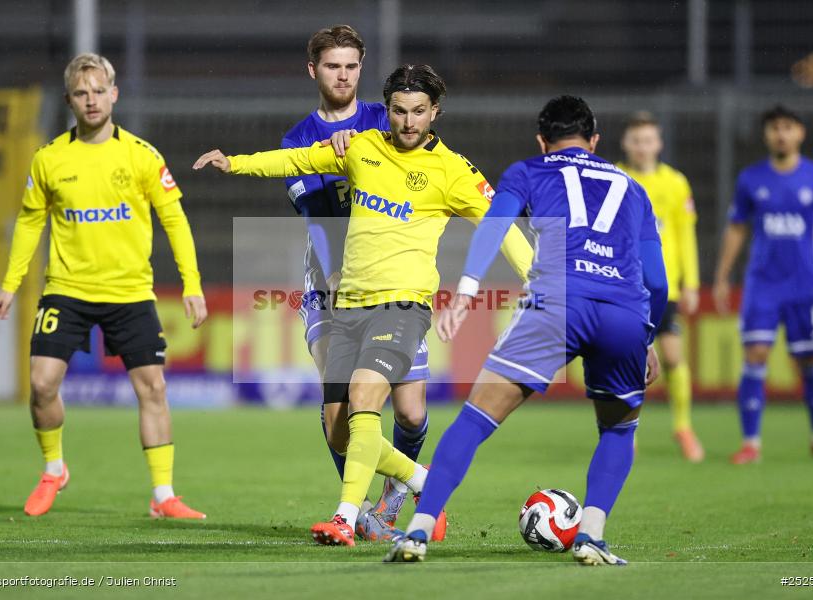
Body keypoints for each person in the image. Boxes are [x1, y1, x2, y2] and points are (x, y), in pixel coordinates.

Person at [194, 64, 533, 546]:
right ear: (387, 110)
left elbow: (501, 228)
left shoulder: (454, 170)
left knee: (366, 396)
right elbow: (296, 163)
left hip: (402, 306)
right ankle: (422, 481)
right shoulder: (363, 148)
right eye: (399, 111)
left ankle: (345, 518)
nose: (409, 122)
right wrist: (236, 162)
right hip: (346, 306)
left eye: (419, 112)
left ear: (435, 112)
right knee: (338, 430)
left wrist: (542, 284)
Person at [386, 95, 667, 565]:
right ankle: (592, 537)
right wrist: (648, 334)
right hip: (624, 311)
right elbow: (656, 279)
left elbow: (494, 226)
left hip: (557, 303)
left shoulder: (529, 171)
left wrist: (467, 291)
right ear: (595, 141)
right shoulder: (634, 189)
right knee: (619, 429)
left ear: (542, 141)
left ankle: (417, 529)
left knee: (476, 419)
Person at [0, 53, 209, 518]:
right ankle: (54, 469)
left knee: (152, 388)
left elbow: (176, 221)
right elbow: (30, 222)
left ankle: (164, 496)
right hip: (66, 288)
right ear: (70, 100)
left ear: (114, 94)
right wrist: (11, 284)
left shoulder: (141, 155)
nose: (91, 101)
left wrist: (192, 283)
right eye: (81, 93)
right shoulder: (49, 158)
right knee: (42, 384)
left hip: (129, 292)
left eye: (98, 91)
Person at [281, 26, 431, 535]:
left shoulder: (386, 119)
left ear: (361, 67)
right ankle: (362, 512)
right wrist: (337, 273)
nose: (342, 75)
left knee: (410, 413)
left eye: (350, 66)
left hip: (391, 280)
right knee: (337, 420)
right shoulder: (298, 140)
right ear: (313, 70)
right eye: (331, 66)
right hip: (328, 286)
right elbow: (317, 220)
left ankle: (400, 489)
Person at [713, 105, 813, 466]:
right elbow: (737, 228)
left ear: (800, 133)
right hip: (762, 286)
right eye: (774, 128)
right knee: (755, 355)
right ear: (766, 135)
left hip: (805, 286)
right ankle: (750, 443)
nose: (781, 134)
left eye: (787, 127)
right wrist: (723, 277)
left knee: (810, 360)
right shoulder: (751, 179)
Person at [618, 112, 703, 462]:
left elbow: (685, 234)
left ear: (659, 143)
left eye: (648, 140)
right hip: (624, 284)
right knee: (626, 360)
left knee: (671, 357)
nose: (642, 146)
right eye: (637, 140)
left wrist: (693, 283)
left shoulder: (675, 183)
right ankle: (626, 431)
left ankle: (682, 427)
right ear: (627, 143)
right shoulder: (615, 177)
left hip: (663, 288)